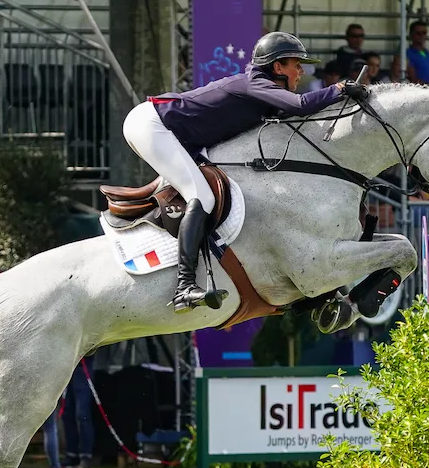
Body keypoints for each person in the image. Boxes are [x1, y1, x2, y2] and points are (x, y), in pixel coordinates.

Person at [123, 32, 362, 312]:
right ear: (277, 68)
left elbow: (301, 115)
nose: (301, 71)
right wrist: (340, 89)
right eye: (296, 64)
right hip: (152, 124)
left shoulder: (266, 94)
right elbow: (299, 105)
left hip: (179, 136)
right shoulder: (255, 84)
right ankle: (184, 287)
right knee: (202, 196)